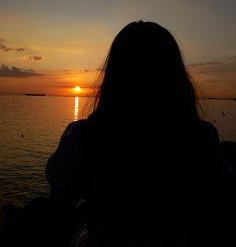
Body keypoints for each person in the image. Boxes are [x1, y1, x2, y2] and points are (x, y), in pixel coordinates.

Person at [45, 21, 223, 246]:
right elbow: (214, 211)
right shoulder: (203, 138)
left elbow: (60, 201)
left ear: (114, 76)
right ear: (174, 76)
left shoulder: (83, 137)